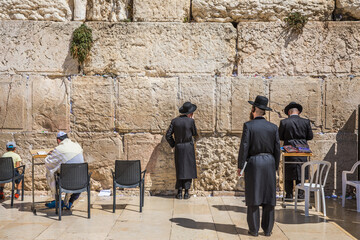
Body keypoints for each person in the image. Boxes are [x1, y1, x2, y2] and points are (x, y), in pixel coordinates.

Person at [238, 95, 280, 237]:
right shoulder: (273, 127)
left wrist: (240, 166)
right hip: (269, 162)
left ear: (254, 108)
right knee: (269, 197)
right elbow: (277, 149)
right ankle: (267, 230)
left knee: (253, 196)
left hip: (254, 163)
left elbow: (244, 147)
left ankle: (254, 230)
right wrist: (275, 166)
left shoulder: (248, 125)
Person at [279, 102, 313, 200]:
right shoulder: (306, 122)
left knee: (288, 171)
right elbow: (310, 136)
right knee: (301, 172)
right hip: (303, 150)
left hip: (289, 150)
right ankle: (300, 196)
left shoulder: (284, 122)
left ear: (289, 112)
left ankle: (288, 195)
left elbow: (280, 136)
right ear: (298, 112)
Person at [166, 102, 198, 200]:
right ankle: (187, 193)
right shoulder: (190, 121)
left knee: (180, 169)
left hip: (179, 147)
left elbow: (168, 135)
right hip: (188, 147)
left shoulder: (174, 121)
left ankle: (179, 192)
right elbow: (195, 134)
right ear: (190, 113)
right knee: (189, 169)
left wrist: (174, 144)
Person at [45, 131, 84, 209]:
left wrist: (49, 155)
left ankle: (57, 200)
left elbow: (49, 162)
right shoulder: (77, 146)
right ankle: (69, 202)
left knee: (51, 174)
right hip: (81, 181)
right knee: (75, 175)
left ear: (59, 140)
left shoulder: (59, 149)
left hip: (65, 182)